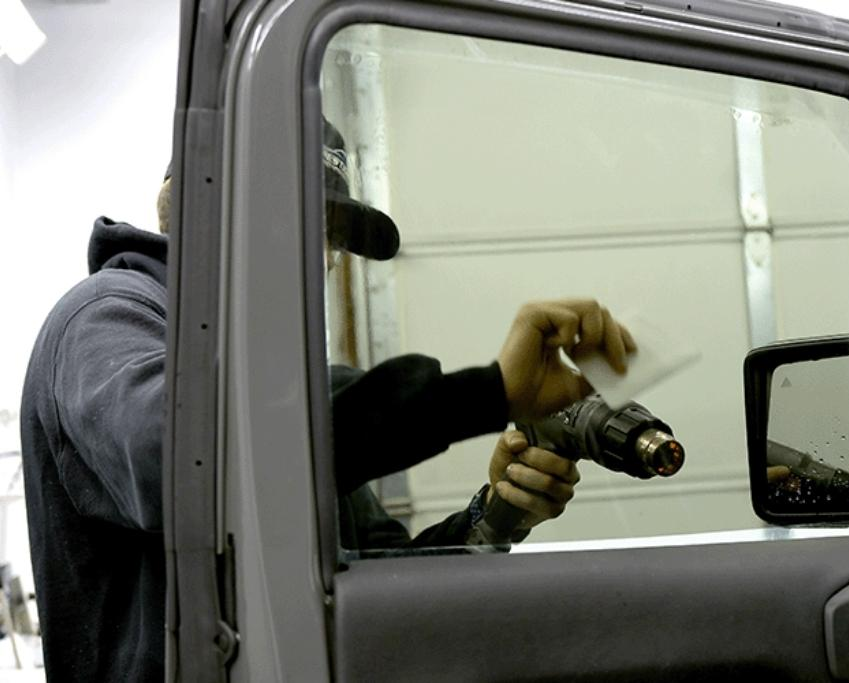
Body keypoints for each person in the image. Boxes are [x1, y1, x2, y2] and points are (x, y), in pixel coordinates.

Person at [20, 148, 635, 679]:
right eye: (301, 222)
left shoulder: (272, 385)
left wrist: (496, 514)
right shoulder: (107, 317)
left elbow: (379, 576)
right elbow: (186, 467)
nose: (327, 259)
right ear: (210, 212)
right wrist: (486, 393)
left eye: (333, 238)